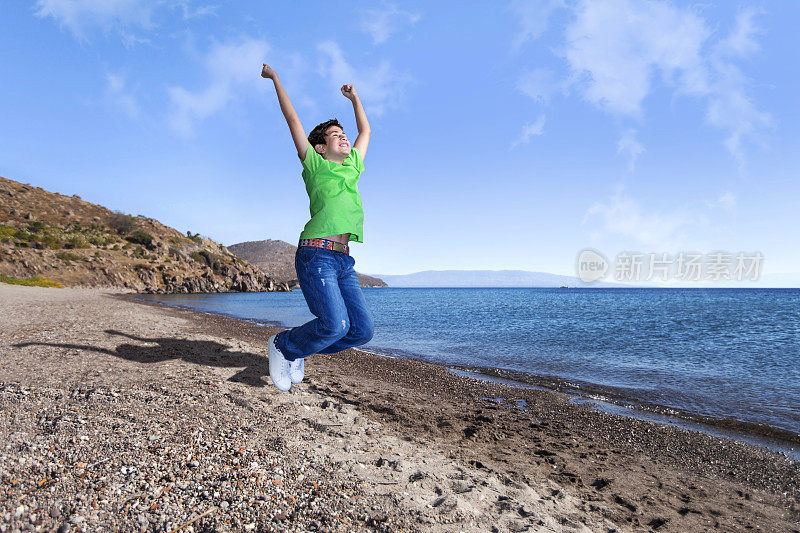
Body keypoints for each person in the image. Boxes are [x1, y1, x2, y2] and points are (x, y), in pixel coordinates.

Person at [260, 62, 375, 392]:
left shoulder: (352, 168)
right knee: (335, 325)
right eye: (334, 136)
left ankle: (298, 349)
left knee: (360, 331)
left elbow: (365, 132)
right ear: (321, 147)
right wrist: (276, 78)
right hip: (316, 255)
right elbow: (292, 120)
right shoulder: (314, 165)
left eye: (344, 136)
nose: (343, 138)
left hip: (343, 260)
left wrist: (355, 101)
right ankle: (284, 345)